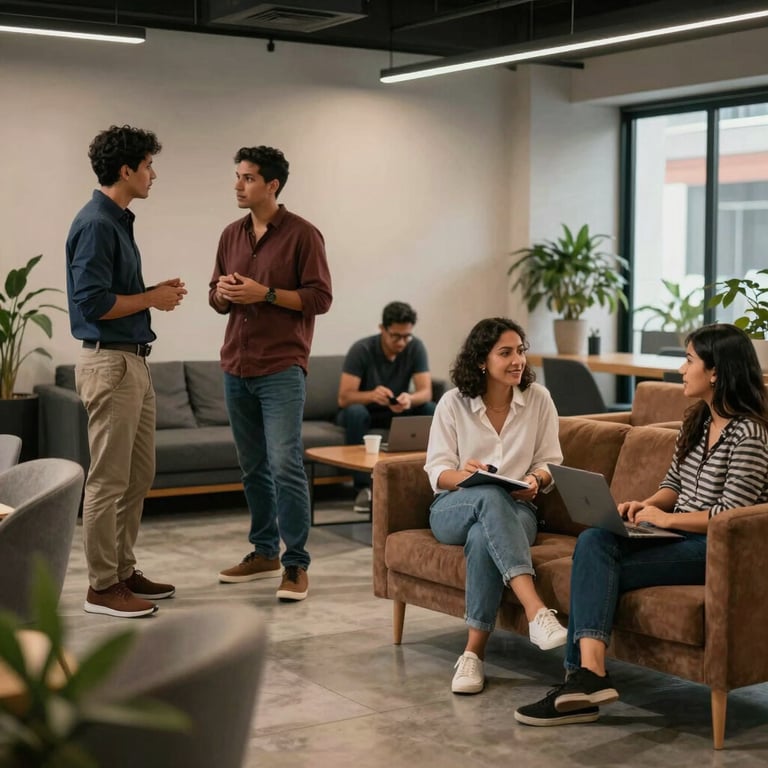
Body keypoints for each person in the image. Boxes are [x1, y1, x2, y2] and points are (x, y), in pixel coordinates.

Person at [515, 323, 768, 726]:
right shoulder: (698, 421)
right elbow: (673, 484)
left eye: (689, 360)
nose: (681, 369)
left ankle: (582, 681)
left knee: (593, 564)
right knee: (595, 542)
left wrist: (665, 519)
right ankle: (588, 676)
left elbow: (729, 513)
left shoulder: (750, 434)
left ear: (716, 372)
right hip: (676, 536)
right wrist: (646, 505)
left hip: (716, 550)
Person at [66, 124, 187, 619]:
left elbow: (112, 293)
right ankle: (102, 586)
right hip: (110, 362)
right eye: (148, 166)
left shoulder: (117, 221)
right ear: (126, 169)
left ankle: (122, 570)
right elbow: (92, 303)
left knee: (138, 475)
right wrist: (152, 298)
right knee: (108, 480)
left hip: (131, 361)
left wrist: (151, 293)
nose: (153, 175)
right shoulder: (97, 223)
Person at [211, 145, 332, 602]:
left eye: (248, 178)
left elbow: (319, 298)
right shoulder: (230, 234)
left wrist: (265, 294)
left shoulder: (304, 235)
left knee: (285, 465)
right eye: (238, 176)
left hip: (281, 367)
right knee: (253, 467)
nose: (238, 185)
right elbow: (214, 294)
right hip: (235, 365)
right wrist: (223, 293)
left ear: (272, 185)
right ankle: (263, 552)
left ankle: (295, 563)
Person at [425, 317, 568, 695]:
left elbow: (550, 461)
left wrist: (537, 480)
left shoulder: (539, 399)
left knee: (481, 538)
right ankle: (536, 610)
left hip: (519, 511)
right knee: (488, 495)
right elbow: (437, 471)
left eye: (520, 350)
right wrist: (466, 475)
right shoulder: (453, 403)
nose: (517, 360)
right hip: (453, 507)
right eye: (505, 353)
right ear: (481, 361)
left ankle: (473, 653)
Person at [337, 301, 436, 513]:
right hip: (365, 412)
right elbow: (344, 398)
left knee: (430, 408)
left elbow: (425, 392)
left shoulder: (415, 347)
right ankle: (364, 488)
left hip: (397, 411)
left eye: (406, 336)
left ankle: (430, 479)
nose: (402, 342)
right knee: (355, 412)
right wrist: (371, 395)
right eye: (396, 336)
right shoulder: (362, 349)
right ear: (382, 329)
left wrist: (409, 399)